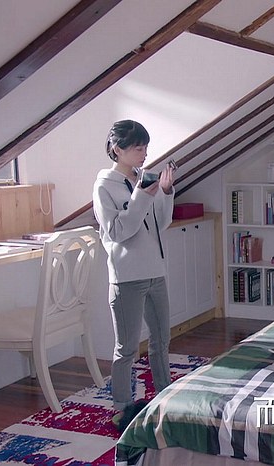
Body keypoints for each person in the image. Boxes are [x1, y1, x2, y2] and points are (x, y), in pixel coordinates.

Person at [92, 120, 175, 418]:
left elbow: (160, 224)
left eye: (146, 147)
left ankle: (165, 396)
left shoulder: (143, 178)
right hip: (127, 277)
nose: (144, 153)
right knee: (127, 348)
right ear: (118, 149)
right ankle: (122, 407)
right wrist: (141, 196)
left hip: (155, 272)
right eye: (138, 148)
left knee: (161, 341)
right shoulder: (104, 186)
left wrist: (165, 191)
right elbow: (118, 232)